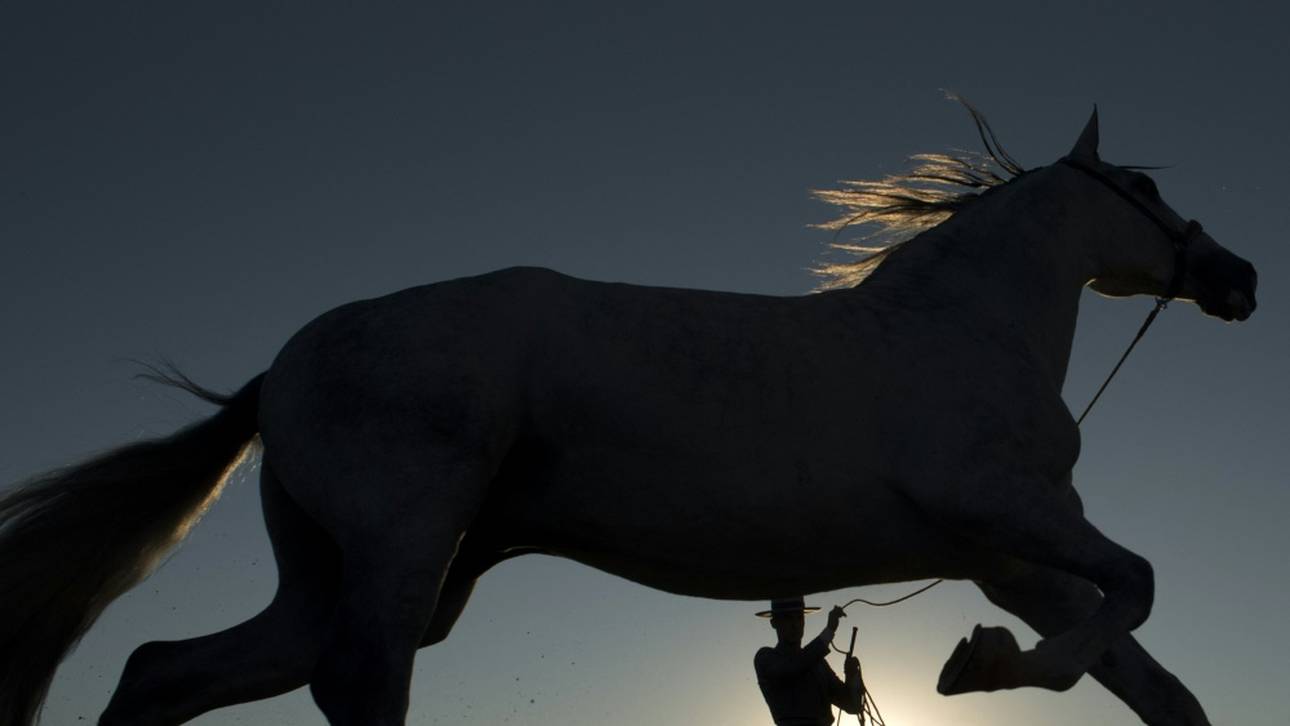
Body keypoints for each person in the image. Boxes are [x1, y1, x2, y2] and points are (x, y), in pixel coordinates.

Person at [754, 597, 864, 726]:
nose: (795, 625)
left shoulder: (818, 663)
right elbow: (793, 667)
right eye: (788, 618)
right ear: (774, 623)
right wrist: (828, 632)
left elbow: (852, 705)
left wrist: (851, 676)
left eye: (799, 618)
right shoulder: (766, 658)